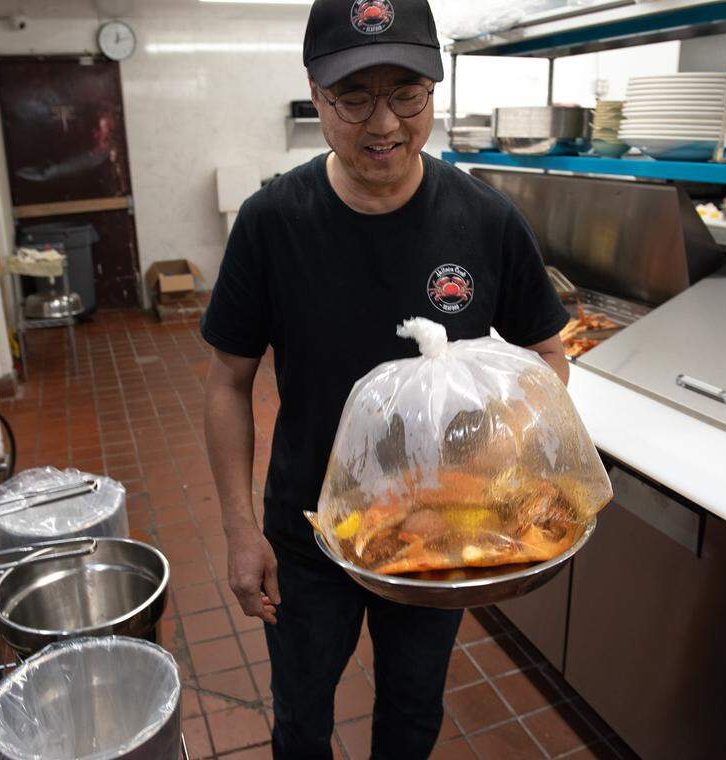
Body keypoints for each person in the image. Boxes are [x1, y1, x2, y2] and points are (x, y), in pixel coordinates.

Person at [200, 0, 570, 756]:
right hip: (309, 530)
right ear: (315, 90)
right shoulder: (273, 223)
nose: (384, 124)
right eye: (353, 97)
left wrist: (515, 470)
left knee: (411, 712)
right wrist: (240, 531)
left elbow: (548, 354)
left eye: (407, 93)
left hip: (442, 534)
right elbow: (226, 382)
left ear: (434, 88)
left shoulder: (484, 220)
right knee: (301, 716)